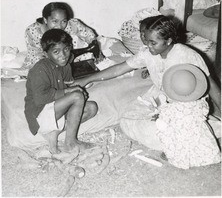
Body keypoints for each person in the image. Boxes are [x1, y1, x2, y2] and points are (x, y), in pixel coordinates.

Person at [73, 15, 221, 119]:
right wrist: (86, 79)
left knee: (175, 129)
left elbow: (210, 83)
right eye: (146, 40)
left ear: (168, 41)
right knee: (128, 120)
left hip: (188, 101)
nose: (147, 46)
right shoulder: (147, 53)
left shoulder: (186, 55)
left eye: (153, 43)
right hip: (162, 95)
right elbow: (119, 69)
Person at [24, 29, 98, 156]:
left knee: (91, 107)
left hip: (56, 109)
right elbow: (40, 99)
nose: (63, 55)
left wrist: (79, 90)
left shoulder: (65, 65)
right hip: (39, 113)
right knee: (76, 96)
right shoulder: (39, 70)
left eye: (66, 49)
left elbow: (69, 84)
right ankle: (70, 143)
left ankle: (55, 132)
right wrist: (71, 93)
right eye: (56, 52)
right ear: (46, 54)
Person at [156, 64, 221, 169]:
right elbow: (205, 112)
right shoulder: (200, 104)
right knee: (203, 131)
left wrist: (162, 106)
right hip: (197, 135)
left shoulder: (171, 108)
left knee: (162, 128)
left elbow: (164, 117)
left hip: (180, 139)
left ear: (171, 89)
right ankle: (204, 156)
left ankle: (173, 155)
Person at [23, 2, 101, 69]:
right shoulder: (33, 31)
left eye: (64, 21)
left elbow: (90, 36)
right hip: (44, 62)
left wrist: (97, 52)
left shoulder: (71, 24)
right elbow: (36, 55)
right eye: (55, 21)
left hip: (65, 57)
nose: (60, 26)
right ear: (45, 20)